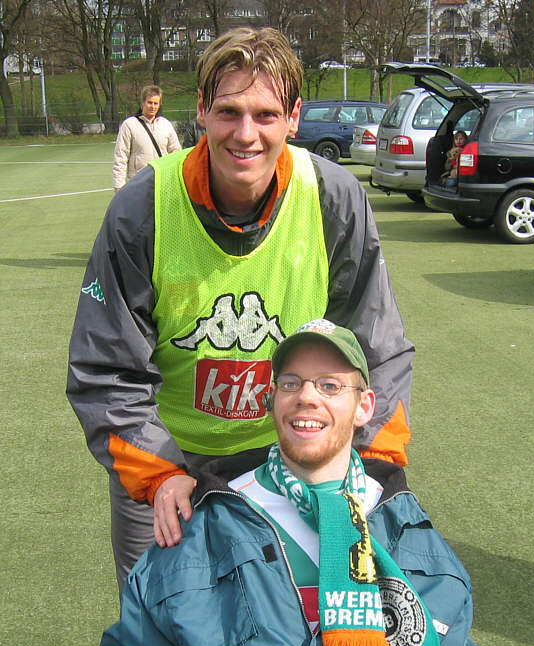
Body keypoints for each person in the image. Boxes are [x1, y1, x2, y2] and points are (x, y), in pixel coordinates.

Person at [2, 319, 534, 646]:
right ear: (272, 400)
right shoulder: (210, 528)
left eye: (330, 385)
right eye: (292, 383)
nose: (307, 397)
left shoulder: (408, 536)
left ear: (364, 407)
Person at [68, 26, 414, 597]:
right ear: (202, 111)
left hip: (288, 457)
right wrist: (158, 474)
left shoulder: (332, 198)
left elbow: (376, 345)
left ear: (294, 117)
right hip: (168, 461)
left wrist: (372, 461)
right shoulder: (142, 208)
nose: (246, 133)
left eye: (266, 114)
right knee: (157, 627)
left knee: (287, 625)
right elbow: (106, 368)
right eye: (229, 111)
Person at [112, 84, 181, 191]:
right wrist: (119, 185)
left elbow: (176, 153)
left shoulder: (166, 124)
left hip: (163, 182)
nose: (152, 106)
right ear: (143, 102)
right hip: (138, 183)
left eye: (155, 103)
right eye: (149, 102)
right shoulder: (129, 125)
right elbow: (121, 155)